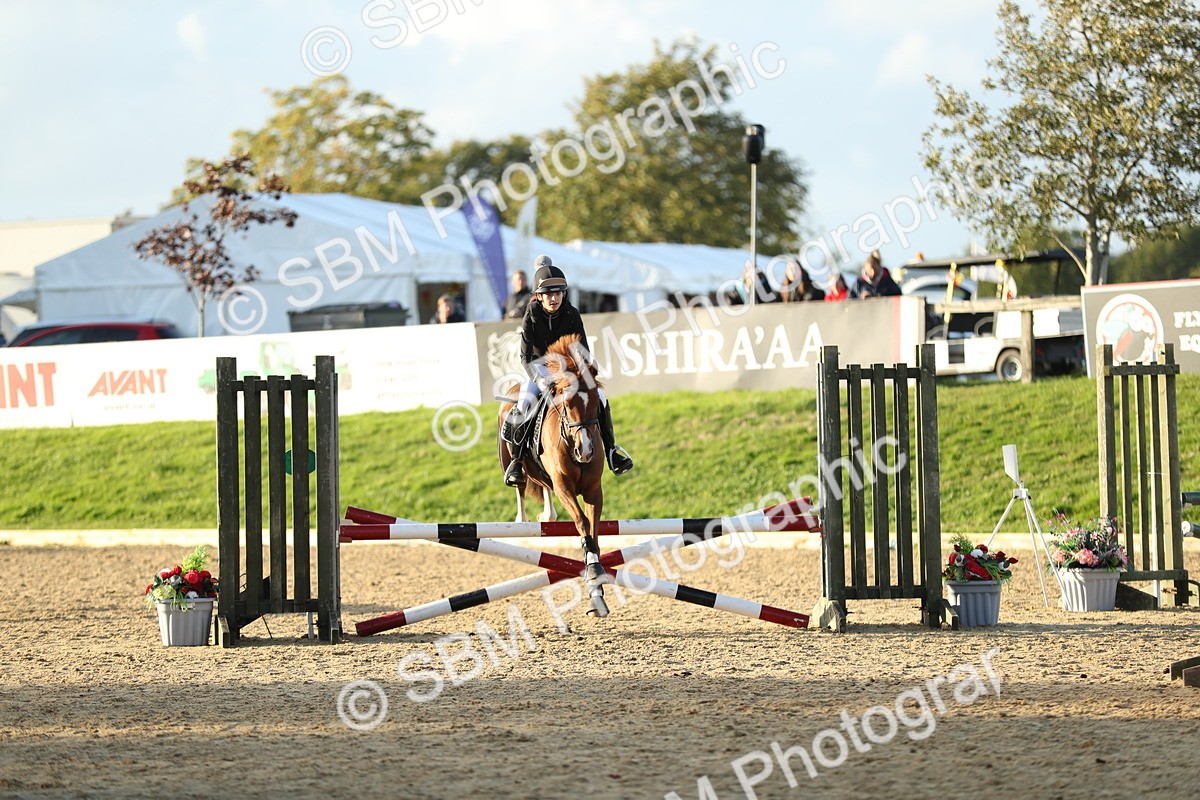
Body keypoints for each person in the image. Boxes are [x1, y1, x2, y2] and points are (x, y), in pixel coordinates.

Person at [501, 254, 634, 487]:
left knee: (600, 398)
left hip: (569, 371)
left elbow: (584, 352)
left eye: (558, 293)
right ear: (539, 297)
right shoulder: (530, 316)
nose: (554, 299)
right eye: (549, 295)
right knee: (524, 403)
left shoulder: (571, 313)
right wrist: (539, 380)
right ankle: (516, 461)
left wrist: (583, 376)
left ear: (564, 294)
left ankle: (612, 452)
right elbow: (525, 357)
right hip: (539, 368)